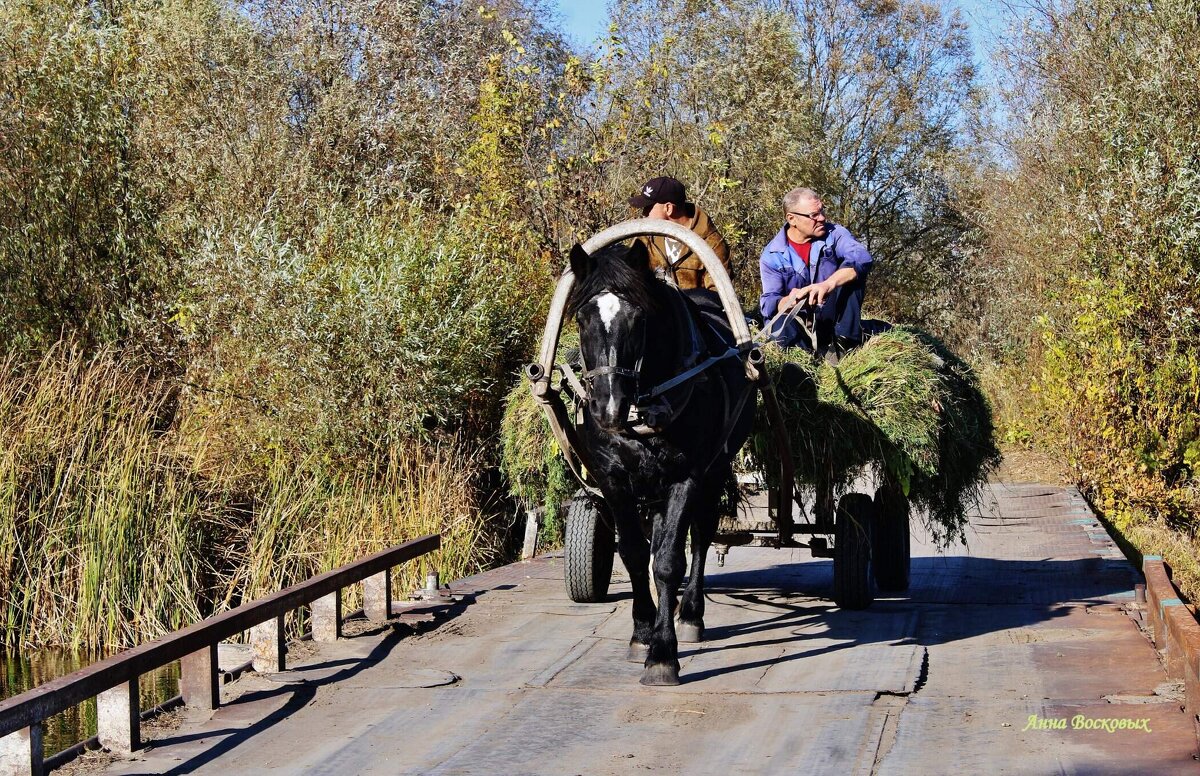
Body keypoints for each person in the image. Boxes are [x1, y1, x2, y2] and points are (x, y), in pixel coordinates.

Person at [759, 187, 872, 354]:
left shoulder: (835, 234)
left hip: (832, 317)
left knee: (852, 274)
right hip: (799, 323)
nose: (822, 218)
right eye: (814, 215)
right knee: (779, 322)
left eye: (822, 211)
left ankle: (845, 345)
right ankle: (801, 363)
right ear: (792, 219)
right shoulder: (771, 255)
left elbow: (862, 258)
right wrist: (789, 302)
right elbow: (768, 302)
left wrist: (827, 285)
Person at [628, 176, 732, 291]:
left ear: (668, 208)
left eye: (649, 207)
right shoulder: (644, 239)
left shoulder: (712, 244)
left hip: (697, 308)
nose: (644, 213)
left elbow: (716, 297)